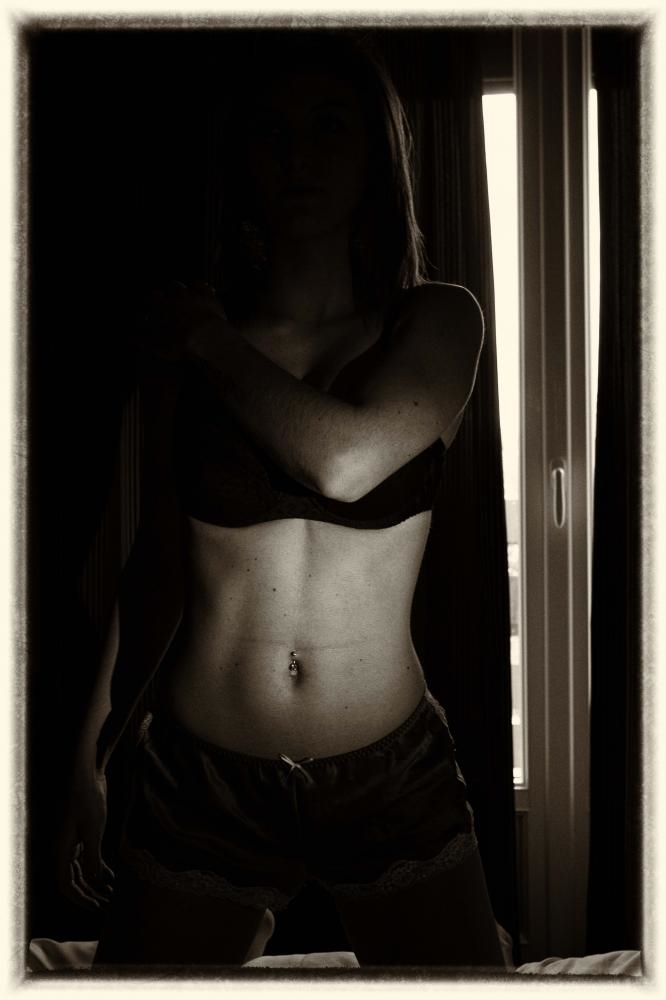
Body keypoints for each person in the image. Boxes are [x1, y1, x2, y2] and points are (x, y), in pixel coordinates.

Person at [58, 33, 506, 969]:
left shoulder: (436, 318)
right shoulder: (193, 339)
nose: (298, 156)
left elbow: (345, 463)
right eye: (271, 132)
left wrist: (210, 343)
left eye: (328, 127)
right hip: (200, 775)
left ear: (375, 155)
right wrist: (89, 753)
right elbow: (157, 561)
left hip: (391, 769)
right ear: (242, 161)